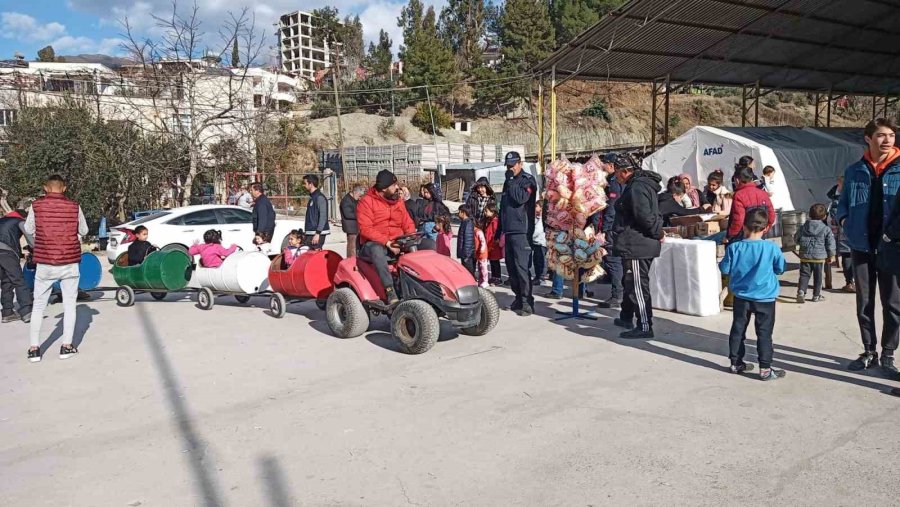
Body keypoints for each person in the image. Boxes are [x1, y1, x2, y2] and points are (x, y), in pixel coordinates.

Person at [836, 117, 900, 374]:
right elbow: (843, 202)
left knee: (893, 303)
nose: (887, 140)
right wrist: (845, 221)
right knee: (864, 302)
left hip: (892, 247)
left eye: (891, 136)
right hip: (861, 245)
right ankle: (869, 351)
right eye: (881, 135)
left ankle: (888, 353)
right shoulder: (854, 170)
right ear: (868, 138)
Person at [24, 174, 88, 362]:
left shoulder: (36, 206)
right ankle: (66, 347)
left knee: (38, 305)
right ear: (64, 188)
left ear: (45, 188)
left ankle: (34, 349)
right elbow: (84, 230)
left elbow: (28, 229)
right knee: (69, 304)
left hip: (45, 261)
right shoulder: (75, 206)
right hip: (69, 262)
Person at [719, 207, 787, 381]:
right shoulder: (771, 248)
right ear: (766, 228)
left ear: (744, 226)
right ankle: (765, 368)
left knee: (738, 329)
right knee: (764, 333)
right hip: (765, 297)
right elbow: (780, 268)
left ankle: (736, 363)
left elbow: (724, 269)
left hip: (741, 297)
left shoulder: (735, 247)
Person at [610, 162, 663, 339]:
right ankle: (626, 316)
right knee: (630, 282)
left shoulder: (636, 188)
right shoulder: (640, 184)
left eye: (617, 172)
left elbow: (645, 217)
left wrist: (658, 232)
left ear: (625, 171)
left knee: (638, 285)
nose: (616, 177)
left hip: (637, 244)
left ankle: (645, 325)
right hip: (635, 243)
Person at [357, 169, 418, 305]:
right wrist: (387, 242)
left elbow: (407, 222)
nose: (397, 187)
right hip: (374, 244)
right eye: (394, 185)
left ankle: (426, 285)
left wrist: (412, 237)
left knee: (428, 245)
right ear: (384, 188)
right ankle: (390, 291)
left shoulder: (398, 201)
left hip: (397, 241)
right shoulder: (366, 202)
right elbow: (365, 229)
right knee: (376, 250)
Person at [499, 151, 537, 316]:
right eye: (508, 166)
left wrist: (511, 181)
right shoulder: (508, 182)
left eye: (513, 165)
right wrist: (500, 230)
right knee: (511, 268)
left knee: (522, 268)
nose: (510, 169)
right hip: (509, 230)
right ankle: (518, 297)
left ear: (520, 164)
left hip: (522, 231)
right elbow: (503, 207)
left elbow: (520, 198)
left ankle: (527, 301)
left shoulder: (527, 180)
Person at [598, 154, 626, 310]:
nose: (602, 166)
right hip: (617, 226)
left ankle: (617, 295)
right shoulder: (612, 180)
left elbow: (611, 209)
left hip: (613, 227)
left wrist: (605, 229)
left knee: (613, 260)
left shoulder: (614, 183)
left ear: (611, 165)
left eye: (604, 164)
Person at [795, 204, 836, 303]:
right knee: (818, 277)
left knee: (804, 275)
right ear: (824, 216)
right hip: (819, 257)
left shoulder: (803, 227)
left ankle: (801, 292)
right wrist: (832, 255)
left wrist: (801, 244)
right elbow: (830, 243)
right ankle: (816, 295)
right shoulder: (826, 228)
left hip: (805, 256)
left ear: (809, 215)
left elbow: (796, 238)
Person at [0, 208, 33, 323]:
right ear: (24, 217)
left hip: (3, 253)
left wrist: (21, 254)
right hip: (7, 252)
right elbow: (32, 242)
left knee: (6, 281)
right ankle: (26, 311)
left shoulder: (2, 220)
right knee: (19, 281)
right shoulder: (20, 221)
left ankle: (7, 313)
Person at [726, 166, 775, 242]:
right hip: (760, 235)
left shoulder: (739, 195)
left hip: (742, 237)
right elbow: (771, 215)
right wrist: (764, 229)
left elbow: (738, 219)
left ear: (737, 180)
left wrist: (730, 236)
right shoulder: (763, 193)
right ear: (751, 179)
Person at [827, 177, 855, 292]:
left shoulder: (839, 200)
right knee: (855, 256)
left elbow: (835, 216)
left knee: (848, 256)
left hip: (845, 231)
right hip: (856, 231)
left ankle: (850, 282)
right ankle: (855, 282)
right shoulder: (856, 194)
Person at [303, 175, 329, 250]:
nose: (304, 185)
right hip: (311, 232)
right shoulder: (312, 198)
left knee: (316, 253)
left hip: (317, 233)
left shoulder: (319, 197)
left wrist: (318, 233)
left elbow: (323, 217)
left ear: (311, 184)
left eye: (305, 183)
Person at [340, 185, 365, 258]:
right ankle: (351, 261)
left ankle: (355, 259)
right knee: (352, 247)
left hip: (356, 227)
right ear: (355, 192)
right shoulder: (346, 200)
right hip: (351, 228)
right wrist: (360, 215)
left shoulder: (354, 199)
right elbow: (348, 214)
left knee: (356, 246)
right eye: (359, 196)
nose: (360, 198)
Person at [482, 205, 503, 285]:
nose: (485, 213)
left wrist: (493, 244)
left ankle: (498, 277)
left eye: (486, 211)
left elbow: (495, 234)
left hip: (494, 246)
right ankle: (494, 277)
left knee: (495, 262)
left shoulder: (495, 222)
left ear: (493, 212)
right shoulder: (489, 221)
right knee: (492, 262)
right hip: (489, 245)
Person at [456, 205, 476, 278]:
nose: (458, 213)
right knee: (465, 270)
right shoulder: (464, 222)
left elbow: (468, 240)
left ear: (463, 212)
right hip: (464, 253)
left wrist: (466, 255)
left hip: (467, 254)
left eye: (459, 212)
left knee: (469, 271)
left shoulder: (468, 223)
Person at [532, 202, 547, 285]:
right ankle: (537, 276)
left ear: (541, 208)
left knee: (541, 260)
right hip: (536, 242)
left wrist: (531, 236)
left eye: (536, 206)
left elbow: (538, 230)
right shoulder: (535, 217)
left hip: (541, 242)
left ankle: (541, 277)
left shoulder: (542, 218)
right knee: (536, 260)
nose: (534, 208)